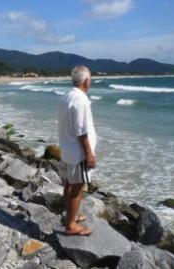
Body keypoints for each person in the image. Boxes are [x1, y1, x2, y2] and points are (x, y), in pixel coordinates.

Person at [57, 65, 97, 236]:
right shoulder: (81, 100)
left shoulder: (66, 96)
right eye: (90, 80)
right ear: (86, 81)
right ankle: (71, 226)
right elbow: (82, 131)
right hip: (77, 152)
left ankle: (70, 217)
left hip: (67, 148)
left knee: (69, 184)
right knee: (77, 186)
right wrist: (89, 154)